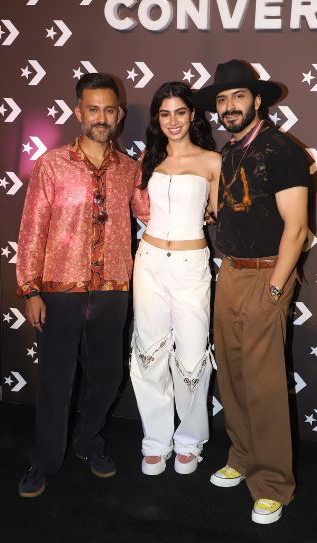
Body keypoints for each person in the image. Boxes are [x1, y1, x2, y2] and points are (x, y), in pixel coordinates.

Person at [14, 73, 150, 498]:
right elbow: (33, 228)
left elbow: (152, 213)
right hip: (60, 290)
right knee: (56, 381)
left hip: (113, 290)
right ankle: (44, 460)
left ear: (119, 114)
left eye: (109, 109)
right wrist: (30, 289)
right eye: (93, 109)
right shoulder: (52, 164)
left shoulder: (130, 169)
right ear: (78, 112)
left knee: (107, 377)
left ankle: (89, 443)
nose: (101, 117)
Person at [193, 60, 312, 524]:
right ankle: (241, 457)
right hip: (230, 273)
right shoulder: (228, 151)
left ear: (257, 100)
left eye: (238, 97)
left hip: (267, 275)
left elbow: (296, 228)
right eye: (222, 99)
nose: (229, 106)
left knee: (264, 385)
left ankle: (273, 484)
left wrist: (276, 286)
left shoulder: (282, 150)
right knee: (234, 377)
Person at [130, 82, 221, 476]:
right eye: (165, 113)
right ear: (157, 118)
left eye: (180, 112)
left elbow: (220, 214)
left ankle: (189, 441)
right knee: (149, 353)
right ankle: (155, 441)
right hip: (149, 261)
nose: (173, 121)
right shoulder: (148, 159)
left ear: (193, 115)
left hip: (190, 265)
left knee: (192, 357)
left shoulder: (213, 161)